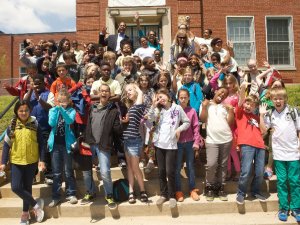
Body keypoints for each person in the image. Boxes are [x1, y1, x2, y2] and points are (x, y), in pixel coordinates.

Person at [0, 100, 46, 224]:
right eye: (21, 111)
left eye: (26, 110)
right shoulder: (12, 126)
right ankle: (36, 206)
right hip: (16, 161)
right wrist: (3, 162)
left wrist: (42, 160)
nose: (24, 112)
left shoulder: (35, 123)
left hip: (31, 161)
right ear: (16, 112)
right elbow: (6, 145)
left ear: (30, 110)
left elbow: (42, 143)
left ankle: (25, 214)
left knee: (27, 187)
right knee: (15, 187)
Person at [259, 87, 300, 222]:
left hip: (294, 153)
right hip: (279, 154)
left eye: (280, 98)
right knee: (282, 182)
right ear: (272, 100)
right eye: (275, 98)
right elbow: (263, 131)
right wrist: (261, 115)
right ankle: (283, 208)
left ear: (285, 99)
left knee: (294, 181)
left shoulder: (293, 112)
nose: (278, 101)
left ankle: (296, 208)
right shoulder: (270, 114)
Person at [147, 88, 190, 208]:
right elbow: (150, 119)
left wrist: (179, 129)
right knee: (161, 171)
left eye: (162, 97)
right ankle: (163, 194)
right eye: (159, 98)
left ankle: (172, 195)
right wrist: (153, 106)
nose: (161, 100)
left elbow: (187, 122)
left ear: (168, 96)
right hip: (159, 144)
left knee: (170, 171)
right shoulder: (158, 110)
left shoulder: (177, 108)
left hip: (171, 145)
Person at [85, 84, 123, 210]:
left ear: (110, 94)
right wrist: (86, 141)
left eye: (107, 91)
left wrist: (121, 123)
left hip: (104, 145)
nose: (104, 93)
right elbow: (88, 126)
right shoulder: (92, 108)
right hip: (90, 143)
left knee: (105, 172)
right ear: (98, 93)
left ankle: (109, 195)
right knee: (86, 171)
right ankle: (90, 192)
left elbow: (117, 130)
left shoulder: (113, 110)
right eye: (102, 91)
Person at [199, 88, 234, 201]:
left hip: (226, 139)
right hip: (212, 140)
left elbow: (230, 123)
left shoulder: (225, 106)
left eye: (225, 94)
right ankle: (209, 186)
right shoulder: (206, 104)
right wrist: (204, 106)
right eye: (221, 91)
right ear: (215, 91)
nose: (222, 94)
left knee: (223, 164)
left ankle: (220, 187)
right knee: (212, 164)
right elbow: (203, 119)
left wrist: (231, 111)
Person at [235, 82, 266, 205]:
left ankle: (256, 191)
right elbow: (241, 100)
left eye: (252, 105)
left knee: (259, 172)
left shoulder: (256, 117)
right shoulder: (240, 114)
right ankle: (241, 193)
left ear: (255, 108)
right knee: (246, 171)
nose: (249, 106)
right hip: (247, 145)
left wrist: (262, 115)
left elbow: (263, 131)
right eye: (248, 103)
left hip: (260, 146)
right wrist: (242, 88)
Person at [47, 89, 77, 207]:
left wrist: (62, 110)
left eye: (64, 101)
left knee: (68, 171)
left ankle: (71, 194)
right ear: (57, 101)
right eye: (60, 101)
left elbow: (70, 120)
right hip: (55, 145)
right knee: (56, 173)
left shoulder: (71, 110)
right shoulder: (52, 110)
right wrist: (56, 109)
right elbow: (52, 123)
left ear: (68, 101)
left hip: (66, 145)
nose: (62, 103)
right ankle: (56, 196)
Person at [23, 74, 55, 185]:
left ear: (43, 82)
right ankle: (32, 176)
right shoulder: (30, 93)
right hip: (31, 128)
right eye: (34, 83)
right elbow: (24, 103)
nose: (36, 85)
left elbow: (49, 107)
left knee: (46, 152)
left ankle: (49, 175)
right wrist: (31, 91)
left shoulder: (49, 93)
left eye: (38, 83)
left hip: (45, 127)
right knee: (32, 153)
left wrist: (38, 98)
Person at [120, 84, 148, 204]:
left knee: (135, 167)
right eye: (126, 91)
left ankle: (143, 191)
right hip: (127, 139)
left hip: (134, 140)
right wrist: (126, 121)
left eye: (130, 90)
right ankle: (131, 191)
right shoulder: (131, 107)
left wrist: (136, 88)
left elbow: (140, 93)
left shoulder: (139, 104)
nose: (128, 93)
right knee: (130, 168)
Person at [175, 89, 203, 202]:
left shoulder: (192, 111)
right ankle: (178, 191)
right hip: (177, 143)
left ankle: (192, 189)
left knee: (191, 167)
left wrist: (196, 142)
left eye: (185, 97)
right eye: (181, 97)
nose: (183, 99)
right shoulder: (175, 110)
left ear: (188, 98)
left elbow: (196, 127)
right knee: (177, 167)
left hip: (190, 142)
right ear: (178, 98)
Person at [222, 75, 240, 182]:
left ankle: (238, 171)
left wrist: (233, 110)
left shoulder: (236, 96)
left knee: (233, 151)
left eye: (230, 83)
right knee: (226, 152)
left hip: (233, 126)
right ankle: (228, 172)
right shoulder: (223, 95)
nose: (228, 86)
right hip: (223, 126)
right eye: (226, 83)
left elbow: (239, 110)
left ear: (234, 83)